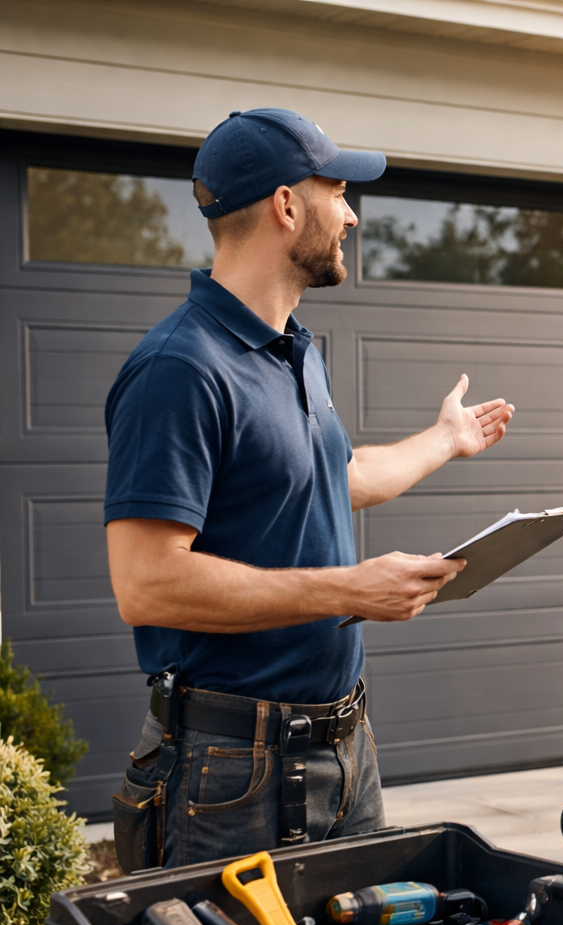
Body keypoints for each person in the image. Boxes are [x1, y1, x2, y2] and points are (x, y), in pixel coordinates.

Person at [105, 109, 513, 870]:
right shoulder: (180, 371)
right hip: (233, 771)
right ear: (287, 206)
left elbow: (333, 478)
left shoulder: (294, 353)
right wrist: (348, 589)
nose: (352, 214)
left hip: (345, 747)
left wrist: (447, 440)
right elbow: (147, 584)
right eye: (339, 192)